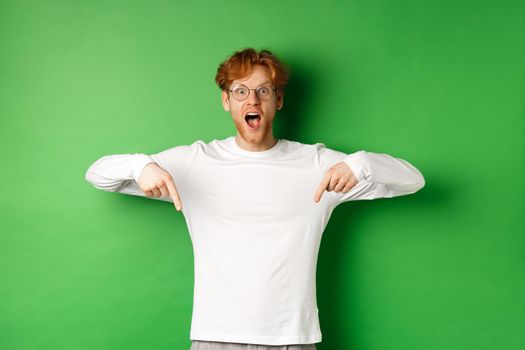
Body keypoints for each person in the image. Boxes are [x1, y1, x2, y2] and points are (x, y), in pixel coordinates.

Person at [85, 48, 425, 350]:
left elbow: (412, 180)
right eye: (241, 91)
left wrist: (360, 163)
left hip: (294, 338)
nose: (252, 101)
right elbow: (98, 174)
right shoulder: (195, 162)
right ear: (226, 100)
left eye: (263, 91)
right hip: (216, 335)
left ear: (278, 100)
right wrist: (141, 165)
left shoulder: (317, 164)